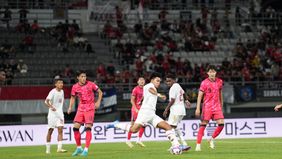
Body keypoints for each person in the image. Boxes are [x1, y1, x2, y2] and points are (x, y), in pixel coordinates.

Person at [107, 72, 182, 152]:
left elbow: (145, 95)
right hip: (145, 113)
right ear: (152, 80)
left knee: (167, 127)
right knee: (134, 130)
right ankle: (116, 124)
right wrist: (159, 95)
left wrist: (141, 101)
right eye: (157, 81)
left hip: (152, 114)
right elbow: (151, 90)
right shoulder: (149, 86)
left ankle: (176, 145)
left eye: (159, 81)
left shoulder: (149, 87)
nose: (159, 83)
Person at [67, 71, 103, 156]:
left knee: (88, 128)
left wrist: (98, 102)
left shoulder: (91, 84)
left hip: (90, 108)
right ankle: (79, 148)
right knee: (75, 128)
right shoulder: (75, 87)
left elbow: (100, 92)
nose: (84, 78)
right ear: (78, 77)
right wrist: (70, 107)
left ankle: (86, 150)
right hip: (81, 108)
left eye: (85, 76)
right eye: (82, 76)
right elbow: (72, 98)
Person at [195, 65, 224, 151]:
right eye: (210, 72)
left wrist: (221, 104)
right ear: (207, 73)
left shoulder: (219, 81)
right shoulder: (204, 83)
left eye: (213, 72)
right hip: (207, 106)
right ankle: (198, 145)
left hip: (217, 106)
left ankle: (211, 138)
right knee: (203, 124)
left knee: (221, 124)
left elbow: (220, 93)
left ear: (216, 73)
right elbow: (199, 96)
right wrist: (198, 108)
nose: (212, 73)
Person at [163, 74, 191, 151]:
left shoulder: (173, 88)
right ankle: (184, 143)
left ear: (174, 80)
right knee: (175, 127)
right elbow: (184, 93)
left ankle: (176, 145)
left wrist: (166, 109)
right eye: (167, 81)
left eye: (169, 81)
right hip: (182, 110)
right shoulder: (178, 85)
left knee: (169, 127)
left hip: (175, 110)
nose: (168, 82)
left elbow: (172, 100)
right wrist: (186, 100)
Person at [44, 78, 67, 154]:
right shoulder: (52, 92)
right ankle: (47, 150)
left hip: (60, 114)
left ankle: (59, 148)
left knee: (60, 130)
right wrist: (51, 106)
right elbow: (46, 101)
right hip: (52, 115)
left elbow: (61, 102)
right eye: (59, 83)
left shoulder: (62, 92)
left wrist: (60, 111)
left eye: (62, 83)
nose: (61, 84)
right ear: (56, 84)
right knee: (50, 131)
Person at [126, 77, 146, 148]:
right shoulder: (135, 89)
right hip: (136, 109)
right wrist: (135, 108)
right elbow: (132, 100)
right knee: (133, 125)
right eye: (140, 80)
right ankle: (128, 140)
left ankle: (138, 139)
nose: (142, 81)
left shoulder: (146, 89)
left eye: (143, 80)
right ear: (137, 82)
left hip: (143, 110)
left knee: (144, 124)